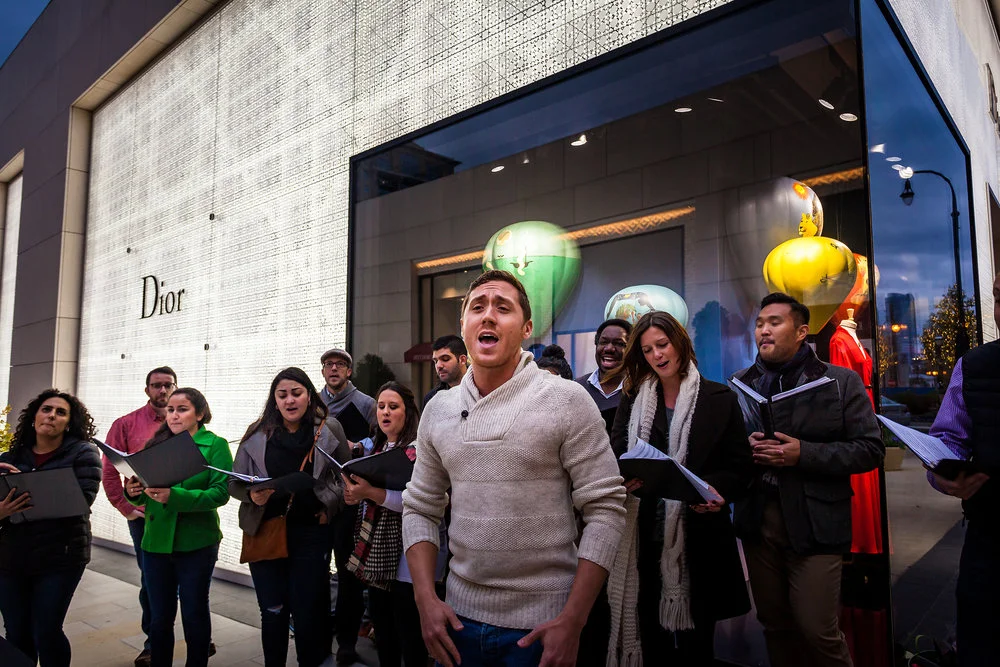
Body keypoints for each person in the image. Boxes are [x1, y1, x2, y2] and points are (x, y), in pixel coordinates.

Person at [403, 269, 627, 667]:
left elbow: (606, 509)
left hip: (543, 628)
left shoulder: (567, 400)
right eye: (478, 307)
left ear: (526, 328)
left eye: (502, 308)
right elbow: (420, 506)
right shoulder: (438, 409)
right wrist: (424, 600)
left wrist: (573, 620)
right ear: (464, 326)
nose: (488, 315)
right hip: (456, 622)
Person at [731, 293, 883, 667]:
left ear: (801, 332)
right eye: (760, 323)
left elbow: (870, 449)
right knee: (774, 625)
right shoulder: (739, 383)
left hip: (816, 522)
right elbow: (727, 451)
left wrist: (803, 453)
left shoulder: (840, 381)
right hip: (758, 521)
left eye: (775, 322)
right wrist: (742, 448)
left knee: (818, 631)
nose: (764, 331)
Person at [605, 311, 753, 665]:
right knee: (649, 637)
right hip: (643, 534)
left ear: (680, 343)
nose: (657, 355)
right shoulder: (632, 397)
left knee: (697, 645)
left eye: (662, 344)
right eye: (647, 350)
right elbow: (615, 454)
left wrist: (716, 492)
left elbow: (741, 469)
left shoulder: (719, 398)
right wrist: (625, 478)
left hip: (700, 537)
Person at [231, 367, 351, 667]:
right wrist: (251, 495)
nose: (289, 400)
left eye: (296, 393)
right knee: (272, 611)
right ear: (274, 399)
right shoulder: (257, 432)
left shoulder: (329, 429)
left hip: (311, 533)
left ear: (309, 395)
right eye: (282, 394)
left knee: (309, 611)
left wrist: (328, 507)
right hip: (265, 531)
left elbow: (347, 479)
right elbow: (233, 483)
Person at [342, 381, 448, 667]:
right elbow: (368, 498)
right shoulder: (375, 447)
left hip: (411, 549)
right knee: (383, 627)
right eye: (381, 407)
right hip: (378, 551)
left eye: (393, 406)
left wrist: (370, 493)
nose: (385, 412)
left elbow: (417, 502)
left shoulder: (418, 450)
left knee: (408, 630)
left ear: (407, 412)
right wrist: (356, 494)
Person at [123, 388, 231, 667]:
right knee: (159, 617)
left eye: (182, 409)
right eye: (170, 410)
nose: (174, 415)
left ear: (200, 413)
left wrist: (176, 497)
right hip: (156, 542)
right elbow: (143, 493)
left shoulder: (215, 445)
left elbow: (221, 493)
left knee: (194, 612)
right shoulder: (156, 443)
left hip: (197, 542)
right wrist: (132, 491)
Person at [926, 273, 1000, 667]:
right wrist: (942, 471)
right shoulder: (973, 367)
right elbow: (948, 440)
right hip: (989, 539)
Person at [0, 389, 102, 667]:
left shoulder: (84, 453)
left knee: (46, 630)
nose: (52, 415)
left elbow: (81, 501)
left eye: (60, 412)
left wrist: (27, 491)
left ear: (68, 423)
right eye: (46, 409)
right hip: (11, 557)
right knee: (16, 632)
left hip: (61, 556)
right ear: (34, 417)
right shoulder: (10, 457)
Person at [101, 366, 177, 667]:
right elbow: (110, 471)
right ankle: (153, 643)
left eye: (168, 385)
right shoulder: (126, 424)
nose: (163, 390)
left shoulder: (184, 422)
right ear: (147, 390)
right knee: (152, 582)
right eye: (157, 385)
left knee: (188, 579)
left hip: (183, 513)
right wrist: (126, 508)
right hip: (147, 518)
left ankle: (196, 633)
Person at [319, 348, 376, 664]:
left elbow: (380, 442)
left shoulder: (366, 404)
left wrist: (359, 447)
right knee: (315, 573)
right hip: (317, 500)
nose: (334, 369)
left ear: (349, 371)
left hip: (351, 500)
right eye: (328, 364)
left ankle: (347, 642)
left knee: (348, 574)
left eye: (340, 364)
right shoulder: (313, 403)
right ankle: (317, 635)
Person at [576, 319, 632, 415]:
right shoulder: (578, 388)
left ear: (630, 350)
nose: (609, 348)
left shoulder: (639, 391)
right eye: (604, 342)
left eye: (619, 343)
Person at [422, 335, 469, 407]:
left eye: (445, 359)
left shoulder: (482, 389)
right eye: (435, 361)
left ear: (462, 360)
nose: (438, 366)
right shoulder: (431, 398)